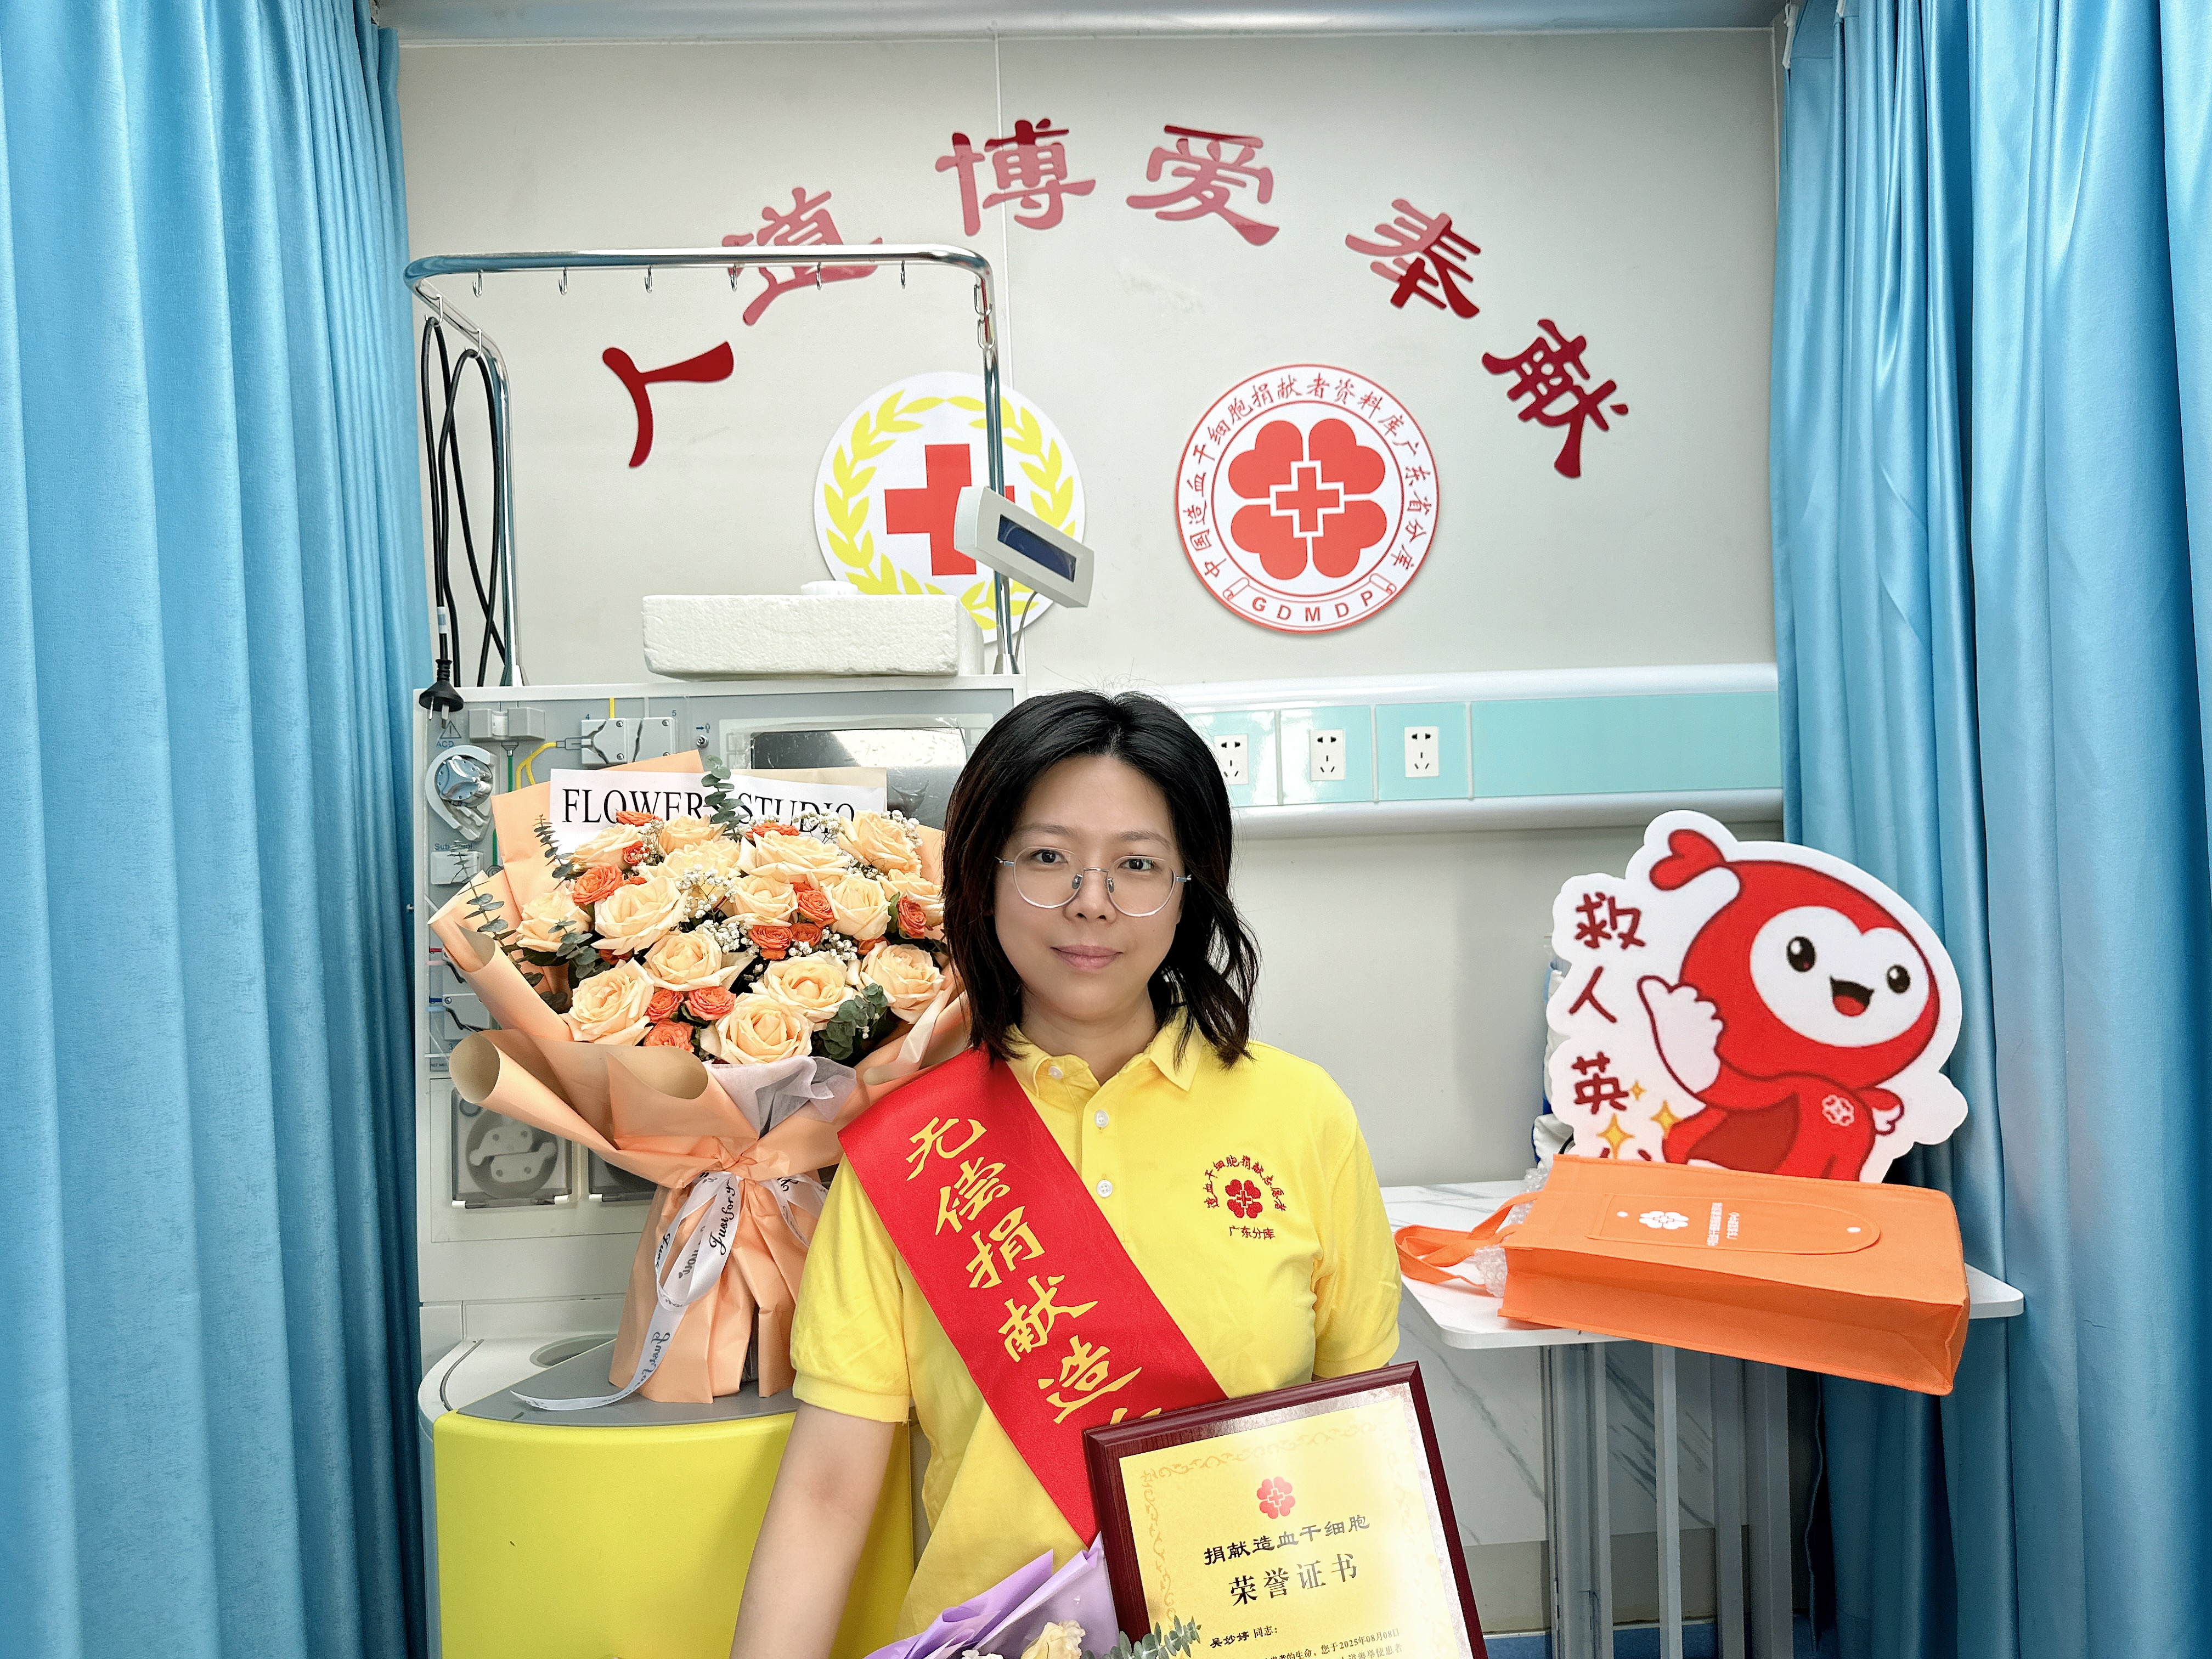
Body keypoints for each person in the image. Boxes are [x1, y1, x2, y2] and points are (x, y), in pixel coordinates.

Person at [727, 690, 1401, 1656]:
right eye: (1048, 858)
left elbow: (1363, 1444)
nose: (1092, 901)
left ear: (1190, 888)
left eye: (1138, 864)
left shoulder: (1303, 1115)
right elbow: (828, 1492)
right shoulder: (906, 1153)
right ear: (986, 877)